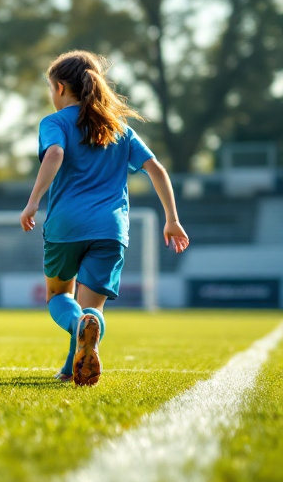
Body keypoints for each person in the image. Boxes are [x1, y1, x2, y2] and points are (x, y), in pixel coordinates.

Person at [20, 51, 189, 386]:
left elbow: (54, 153)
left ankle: (77, 333)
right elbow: (156, 168)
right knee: (91, 309)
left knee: (58, 297)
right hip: (111, 230)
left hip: (66, 225)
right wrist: (171, 218)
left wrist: (33, 202)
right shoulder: (118, 129)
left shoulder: (53, 123)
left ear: (59, 86)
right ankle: (72, 367)